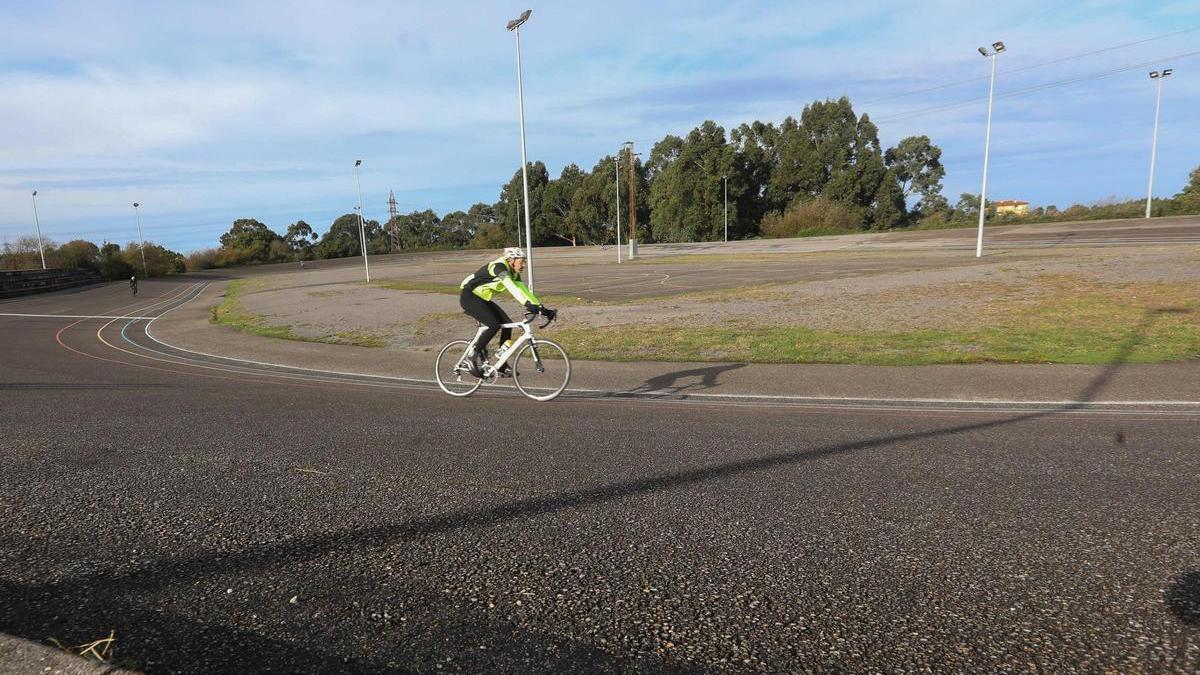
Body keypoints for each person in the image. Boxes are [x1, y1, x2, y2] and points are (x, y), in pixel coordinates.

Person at [459, 247, 555, 376]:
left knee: (507, 324)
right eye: (522, 261)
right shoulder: (500, 268)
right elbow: (511, 287)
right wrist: (527, 304)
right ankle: (471, 357)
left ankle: (502, 365)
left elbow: (525, 291)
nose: (524, 265)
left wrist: (542, 309)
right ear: (511, 260)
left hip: (482, 298)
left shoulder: (514, 273)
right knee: (493, 325)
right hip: (469, 296)